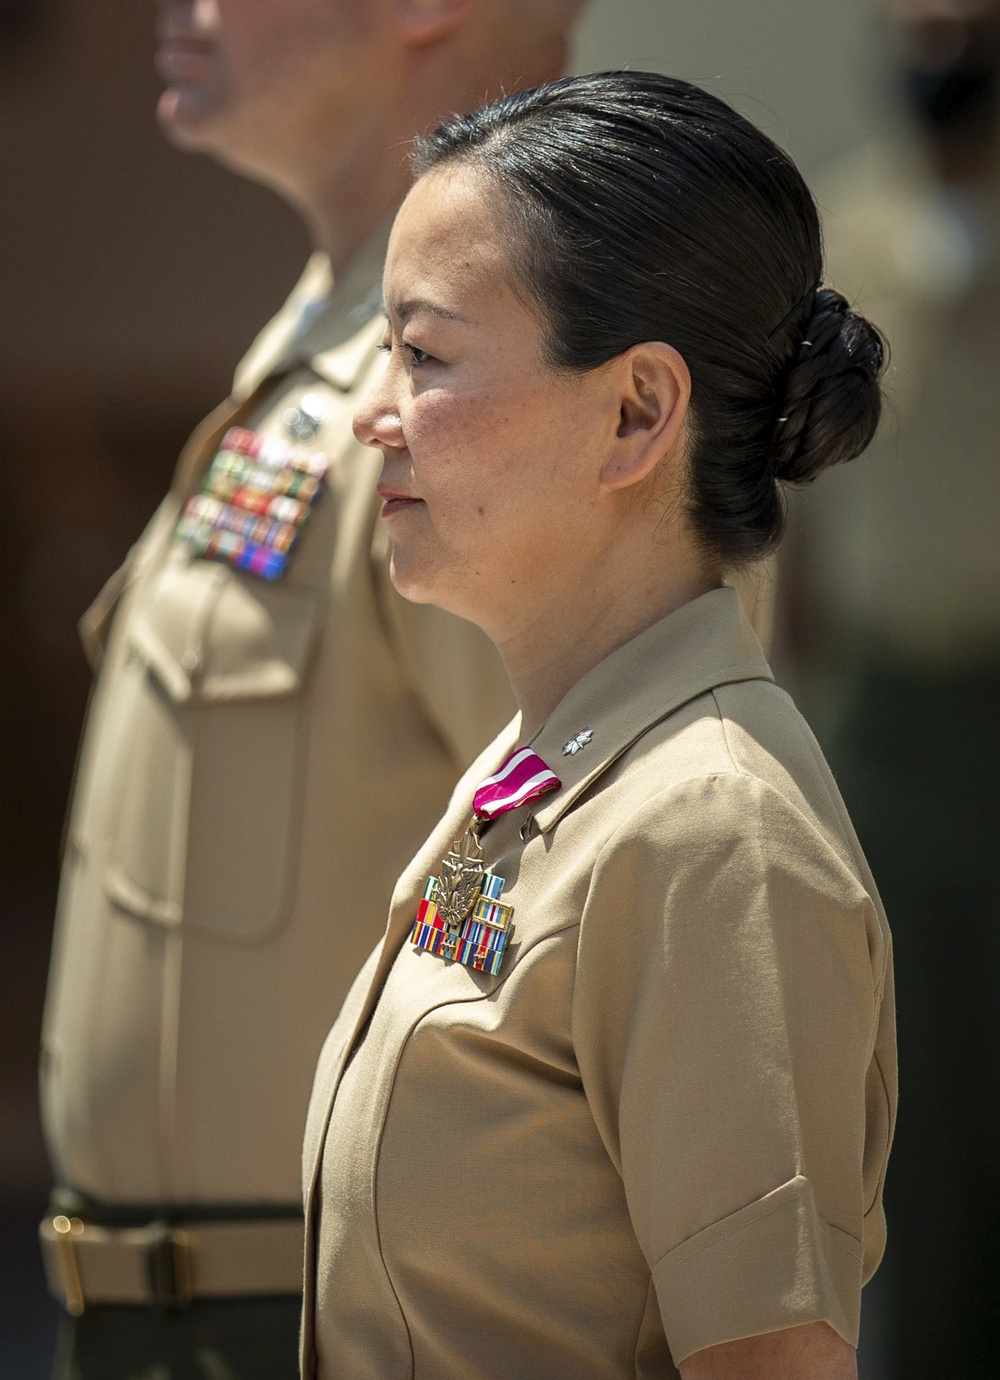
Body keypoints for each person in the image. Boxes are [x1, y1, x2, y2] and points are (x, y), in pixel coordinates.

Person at [301, 71, 897, 1380]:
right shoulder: (545, 774)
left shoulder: (715, 837)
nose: (372, 414)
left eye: (425, 354)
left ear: (637, 412)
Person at [37, 2, 582, 1375]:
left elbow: (542, 849)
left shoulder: (483, 383)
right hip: (175, 1312)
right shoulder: (337, 341)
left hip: (338, 1315)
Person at [787, 2, 1000, 1374]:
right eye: (910, 22)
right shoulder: (846, 238)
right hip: (887, 712)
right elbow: (798, 502)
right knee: (910, 1081)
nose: (934, 46)